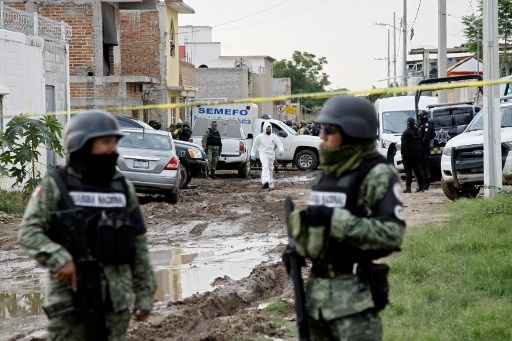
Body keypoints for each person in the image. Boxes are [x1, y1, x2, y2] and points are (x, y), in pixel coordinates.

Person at [18, 111, 156, 341]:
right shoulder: (56, 185)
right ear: (81, 145)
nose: (112, 149)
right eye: (105, 143)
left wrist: (145, 292)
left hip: (116, 302)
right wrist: (59, 257)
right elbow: (29, 232)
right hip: (71, 301)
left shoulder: (122, 188)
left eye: (114, 142)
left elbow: (138, 243)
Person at [284, 96, 405, 340]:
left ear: (353, 133)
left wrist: (334, 220)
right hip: (316, 301)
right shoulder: (328, 175)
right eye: (321, 129)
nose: (321, 137)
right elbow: (320, 230)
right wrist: (299, 247)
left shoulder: (377, 174)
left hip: (354, 302)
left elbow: (392, 234)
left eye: (328, 130)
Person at [251, 121, 284, 190]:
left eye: (269, 129)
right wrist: (253, 153)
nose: (268, 130)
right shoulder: (259, 137)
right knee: (265, 166)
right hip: (263, 154)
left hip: (271, 155)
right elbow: (254, 146)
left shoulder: (274, 136)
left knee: (270, 168)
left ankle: (270, 183)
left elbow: (279, 143)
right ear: (264, 128)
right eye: (267, 129)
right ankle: (265, 181)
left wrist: (281, 150)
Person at [401, 117, 426, 193]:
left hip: (408, 156)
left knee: (408, 172)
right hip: (417, 155)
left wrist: (402, 155)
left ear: (408, 123)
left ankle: (408, 188)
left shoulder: (406, 133)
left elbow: (403, 146)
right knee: (418, 171)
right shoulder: (418, 131)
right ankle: (421, 187)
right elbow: (421, 142)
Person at [417, 110, 435, 190]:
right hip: (421, 148)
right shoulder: (421, 125)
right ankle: (424, 184)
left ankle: (426, 184)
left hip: (424, 149)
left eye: (420, 116)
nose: (419, 118)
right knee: (422, 166)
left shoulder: (427, 125)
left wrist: (420, 144)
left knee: (424, 166)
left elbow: (426, 137)